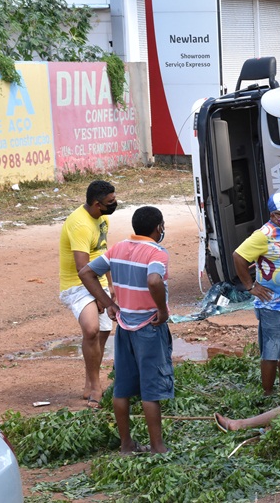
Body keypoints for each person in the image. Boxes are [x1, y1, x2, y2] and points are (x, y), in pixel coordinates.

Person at [78, 206, 171, 454]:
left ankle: (126, 444)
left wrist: (109, 304)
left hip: (124, 327)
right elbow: (154, 280)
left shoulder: (117, 248)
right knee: (151, 390)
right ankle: (158, 447)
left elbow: (86, 272)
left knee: (123, 388)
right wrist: (162, 310)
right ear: (158, 228)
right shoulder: (157, 253)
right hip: (149, 327)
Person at [233, 192, 280, 395]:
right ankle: (267, 393)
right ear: (273, 215)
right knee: (272, 352)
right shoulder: (263, 235)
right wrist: (250, 287)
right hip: (273, 305)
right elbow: (238, 256)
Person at [59, 179, 117, 409]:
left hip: (97, 281)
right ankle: (95, 386)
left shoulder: (102, 218)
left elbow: (103, 253)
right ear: (96, 204)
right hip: (77, 284)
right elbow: (82, 270)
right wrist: (96, 297)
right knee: (91, 329)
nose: (115, 204)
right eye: (110, 202)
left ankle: (88, 381)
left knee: (103, 332)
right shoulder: (80, 225)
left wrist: (110, 286)